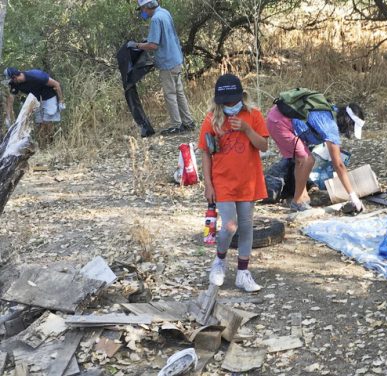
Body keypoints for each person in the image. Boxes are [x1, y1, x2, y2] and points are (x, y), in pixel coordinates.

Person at [198, 73, 269, 292]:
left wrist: (246, 130)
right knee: (229, 226)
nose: (230, 105)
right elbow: (206, 153)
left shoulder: (253, 116)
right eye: (226, 102)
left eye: (234, 101)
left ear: (242, 96)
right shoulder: (211, 119)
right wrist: (208, 185)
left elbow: (264, 146)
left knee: (246, 226)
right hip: (223, 181)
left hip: (248, 180)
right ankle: (219, 261)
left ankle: (243, 273)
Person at [266, 93, 365, 212]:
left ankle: (301, 198)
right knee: (307, 160)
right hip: (280, 123)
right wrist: (353, 196)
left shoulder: (332, 111)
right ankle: (297, 202)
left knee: (301, 159)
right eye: (351, 129)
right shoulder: (330, 125)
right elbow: (338, 165)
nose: (349, 133)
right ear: (348, 123)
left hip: (275, 116)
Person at [128, 0, 195, 135]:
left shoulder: (155, 19)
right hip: (176, 58)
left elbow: (153, 45)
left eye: (142, 9)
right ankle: (188, 122)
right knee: (179, 92)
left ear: (148, 6)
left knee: (170, 93)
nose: (143, 12)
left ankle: (176, 125)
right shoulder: (165, 13)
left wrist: (137, 45)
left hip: (167, 62)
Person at [4, 67, 65, 143]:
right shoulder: (14, 83)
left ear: (14, 77)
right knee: (39, 123)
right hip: (37, 100)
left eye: (10, 79)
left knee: (47, 121)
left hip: (49, 97)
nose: (10, 81)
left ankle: (50, 144)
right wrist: (8, 117)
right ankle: (43, 145)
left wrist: (61, 101)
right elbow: (10, 100)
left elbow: (56, 84)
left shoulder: (36, 75)